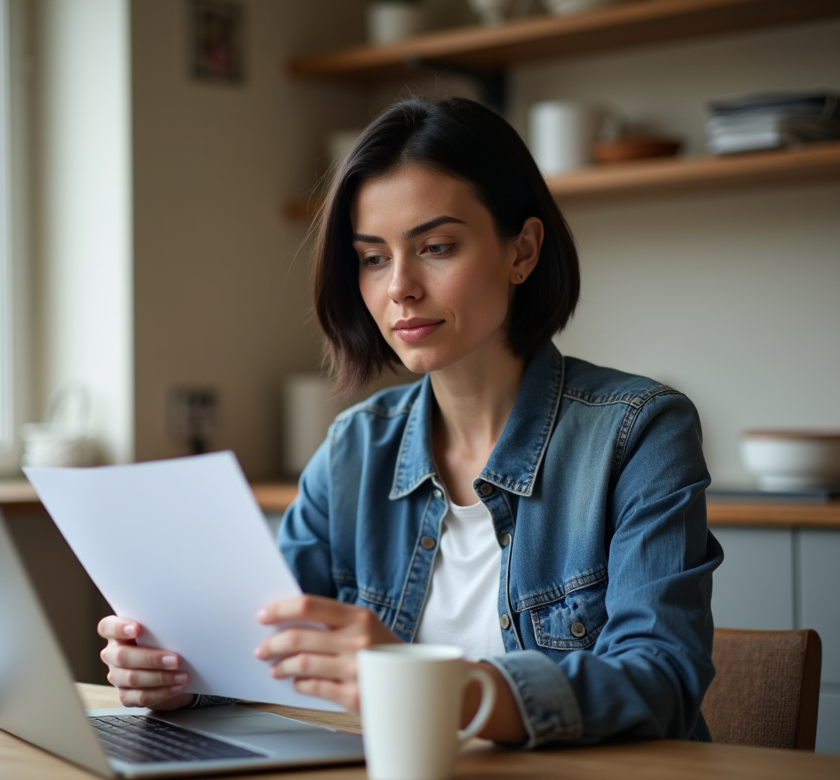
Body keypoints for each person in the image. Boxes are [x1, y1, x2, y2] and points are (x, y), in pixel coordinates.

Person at [97, 96, 723, 747]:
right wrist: (180, 673)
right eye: (372, 257)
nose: (399, 287)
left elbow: (662, 682)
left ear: (523, 251)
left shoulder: (639, 433)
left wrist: (432, 687)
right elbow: (267, 644)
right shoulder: (354, 448)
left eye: (437, 246)